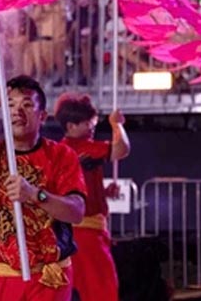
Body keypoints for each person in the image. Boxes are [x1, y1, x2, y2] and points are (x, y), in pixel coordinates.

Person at [0, 74, 86, 301]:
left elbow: (76, 212)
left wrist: (35, 194)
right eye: (11, 105)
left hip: (48, 278)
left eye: (27, 105)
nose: (17, 111)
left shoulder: (61, 155)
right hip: (2, 276)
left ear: (42, 116)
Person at [55, 93, 130, 301]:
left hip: (71, 232)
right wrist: (117, 126)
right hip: (86, 234)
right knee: (101, 288)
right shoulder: (83, 148)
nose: (92, 127)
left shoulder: (61, 151)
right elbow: (121, 150)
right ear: (71, 126)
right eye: (88, 123)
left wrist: (102, 193)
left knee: (78, 288)